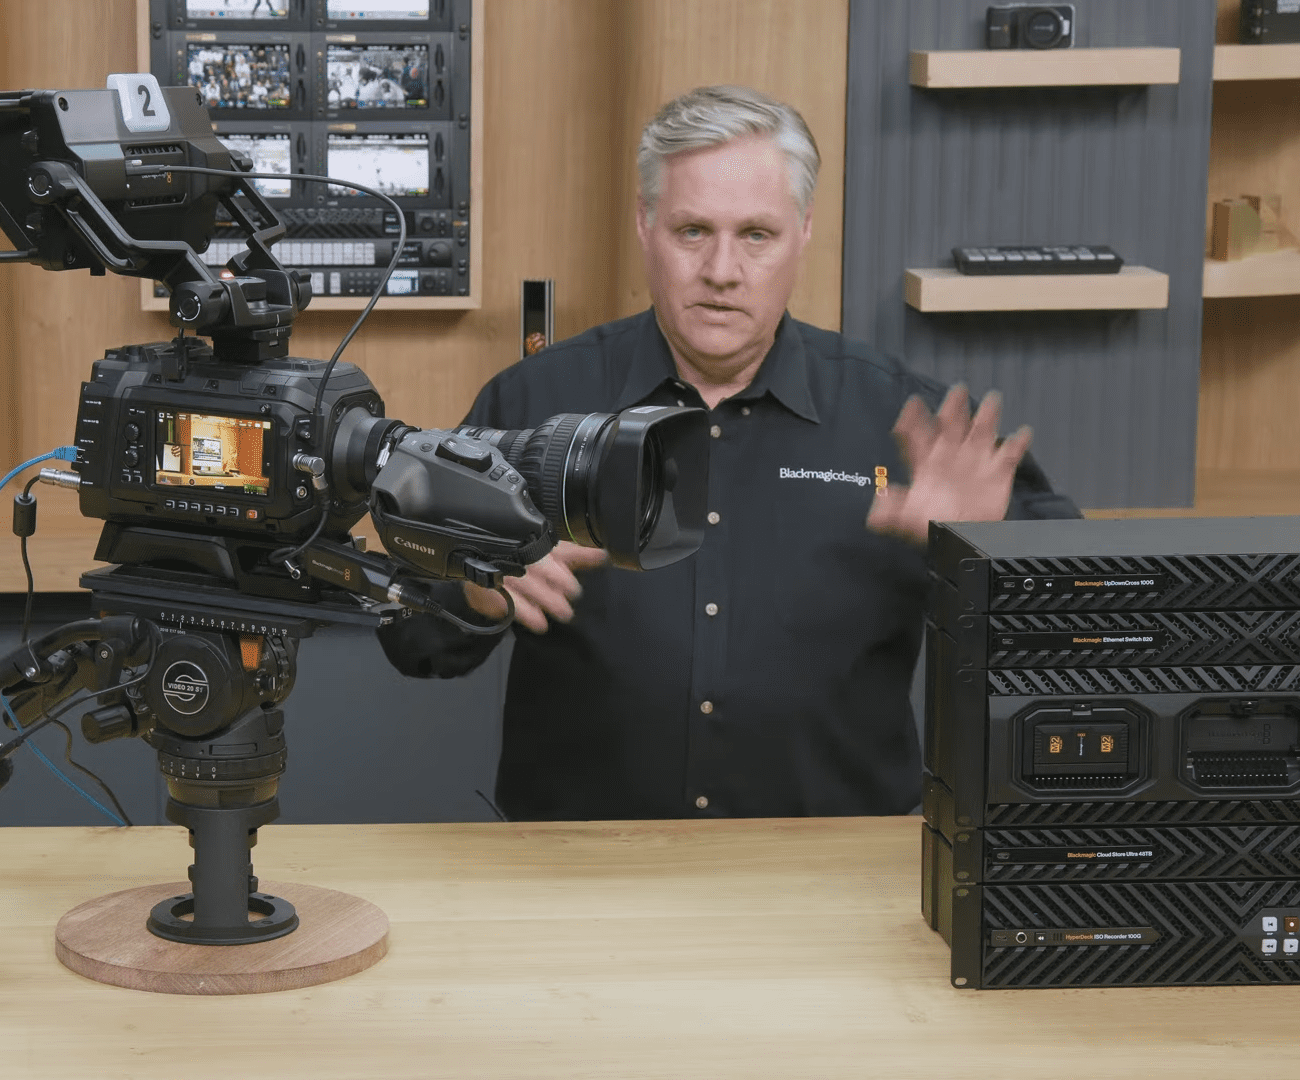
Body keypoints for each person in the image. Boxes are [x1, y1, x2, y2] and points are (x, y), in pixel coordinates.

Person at [377, 85, 1080, 821]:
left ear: (804, 231)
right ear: (645, 225)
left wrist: (992, 554)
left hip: (832, 875)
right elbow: (406, 631)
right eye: (691, 231)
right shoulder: (534, 403)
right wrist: (478, 588)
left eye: (756, 234)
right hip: (579, 874)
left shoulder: (907, 423)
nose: (721, 269)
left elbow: (1097, 618)